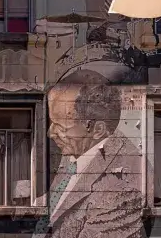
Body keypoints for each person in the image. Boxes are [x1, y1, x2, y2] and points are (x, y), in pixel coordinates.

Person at [33, 69, 144, 238]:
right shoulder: (77, 150)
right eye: (52, 123)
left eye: (61, 127)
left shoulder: (121, 188)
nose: (51, 133)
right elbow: (62, 200)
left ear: (97, 130)